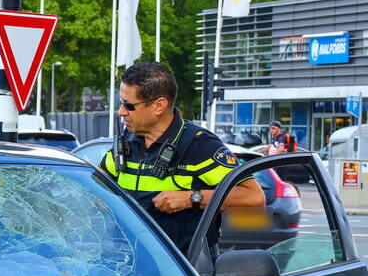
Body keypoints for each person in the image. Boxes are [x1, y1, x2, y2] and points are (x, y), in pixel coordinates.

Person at [99, 61, 265, 256]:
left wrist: (190, 198)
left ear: (159, 106)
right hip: (129, 265)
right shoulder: (127, 140)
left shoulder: (201, 146)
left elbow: (254, 197)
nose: (121, 112)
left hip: (184, 270)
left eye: (129, 105)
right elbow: (99, 182)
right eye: (121, 103)